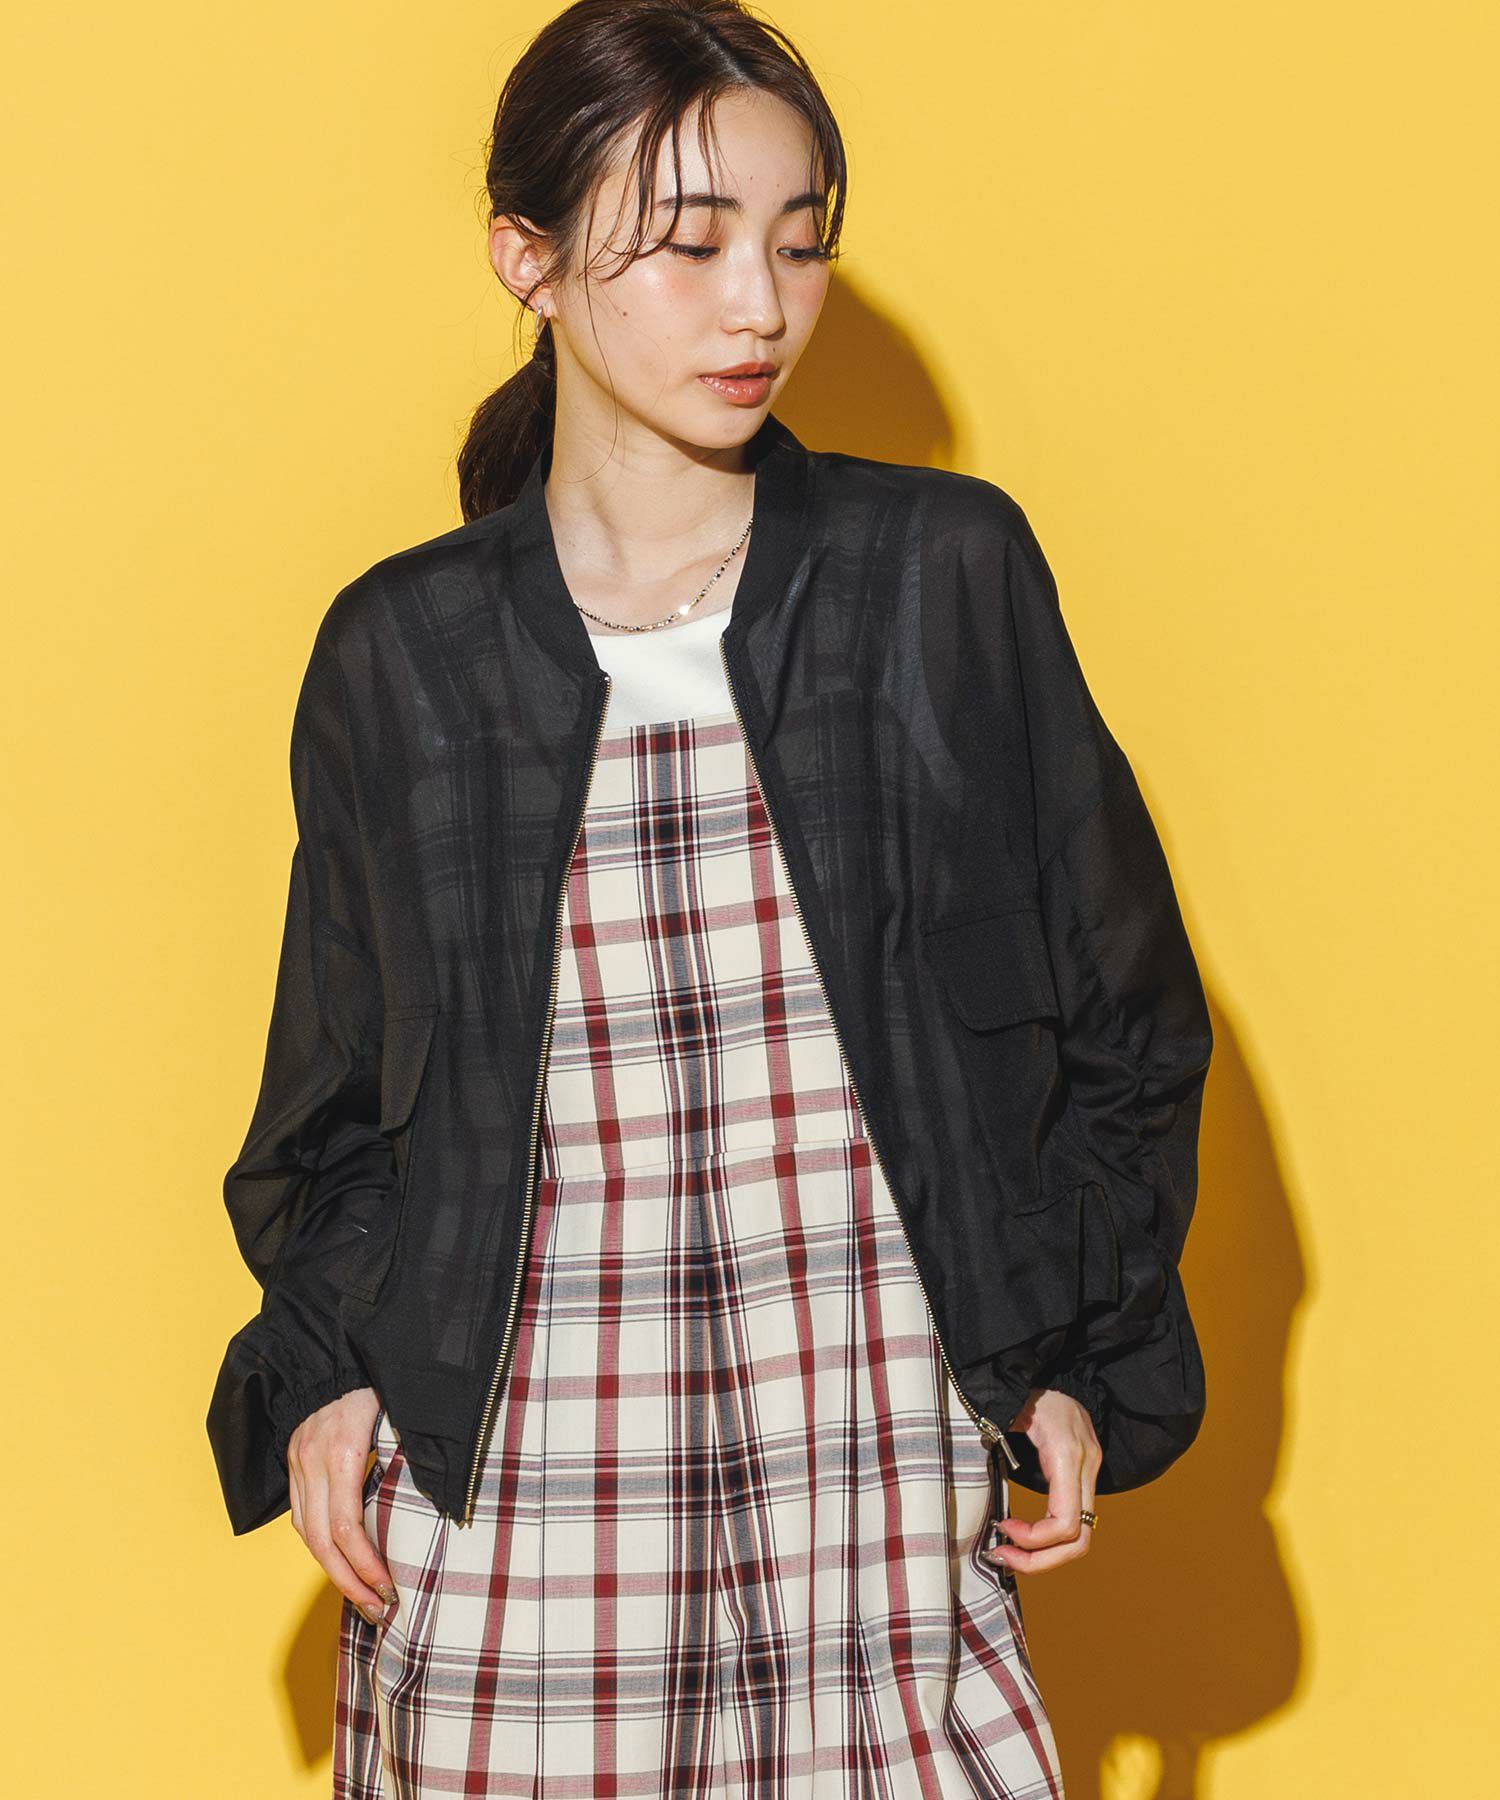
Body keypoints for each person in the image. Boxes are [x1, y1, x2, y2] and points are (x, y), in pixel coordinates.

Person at [206, 2, 1214, 1793]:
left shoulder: (941, 582)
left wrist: (1077, 1356)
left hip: (872, 1487)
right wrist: (330, 1369)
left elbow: (1124, 1014)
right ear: (527, 258)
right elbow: (337, 1112)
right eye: (689, 245)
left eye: (800, 243)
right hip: (518, 1522)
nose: (760, 306)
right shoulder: (406, 658)